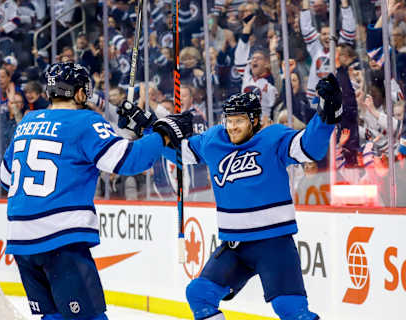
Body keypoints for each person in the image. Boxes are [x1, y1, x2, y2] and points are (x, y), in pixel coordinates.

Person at [119, 73, 342, 320]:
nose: (232, 127)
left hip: (274, 244)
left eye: (239, 121)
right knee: (199, 294)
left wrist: (327, 114)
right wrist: (148, 127)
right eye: (229, 120)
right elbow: (180, 152)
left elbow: (310, 146)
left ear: (255, 120)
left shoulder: (274, 138)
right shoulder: (214, 140)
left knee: (291, 310)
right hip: (234, 246)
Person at [0, 62, 192, 320]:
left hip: (21, 240)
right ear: (79, 93)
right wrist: (161, 134)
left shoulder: (27, 122)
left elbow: (5, 177)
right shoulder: (85, 121)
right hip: (59, 238)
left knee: (54, 316)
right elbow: (129, 161)